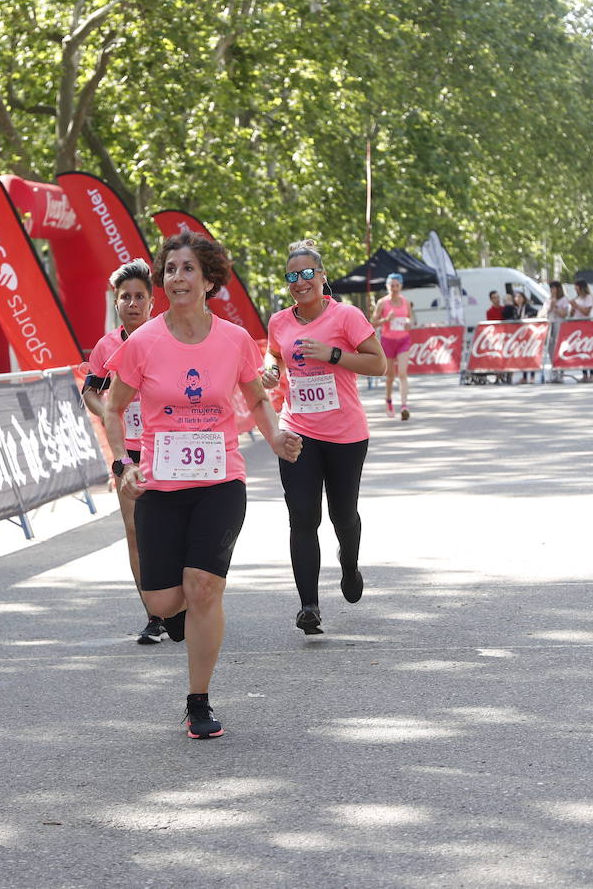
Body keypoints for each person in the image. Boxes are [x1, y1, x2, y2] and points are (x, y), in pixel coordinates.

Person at [103, 231, 302, 740]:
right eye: (170, 269)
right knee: (164, 602)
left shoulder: (233, 340)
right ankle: (184, 617)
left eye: (188, 268)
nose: (177, 277)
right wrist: (124, 463)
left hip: (220, 479)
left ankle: (199, 700)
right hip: (160, 485)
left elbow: (256, 399)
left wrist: (276, 435)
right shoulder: (144, 341)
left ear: (209, 278)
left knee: (204, 587)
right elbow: (114, 406)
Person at [261, 239, 386, 635]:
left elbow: (378, 364)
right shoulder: (279, 321)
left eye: (307, 274)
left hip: (345, 434)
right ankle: (308, 606)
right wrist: (268, 370)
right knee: (302, 516)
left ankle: (348, 565)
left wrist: (331, 355)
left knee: (341, 515)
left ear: (322, 276)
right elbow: (274, 355)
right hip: (297, 430)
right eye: (292, 276)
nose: (300, 282)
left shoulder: (346, 316)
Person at [82, 260, 164, 644]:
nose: (132, 303)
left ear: (151, 302)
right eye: (124, 297)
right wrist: (111, 413)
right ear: (117, 303)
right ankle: (153, 614)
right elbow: (90, 393)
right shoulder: (107, 347)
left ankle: (177, 601)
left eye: (139, 297)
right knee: (136, 532)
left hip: (168, 447)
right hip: (126, 452)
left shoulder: (168, 336)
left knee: (171, 529)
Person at [371, 272, 414, 419]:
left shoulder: (406, 302)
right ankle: (388, 400)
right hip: (388, 341)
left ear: (401, 286)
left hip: (403, 340)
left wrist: (409, 323)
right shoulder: (382, 303)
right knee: (390, 375)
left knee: (402, 373)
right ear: (387, 286)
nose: (394, 288)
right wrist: (385, 320)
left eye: (397, 285)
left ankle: (404, 406)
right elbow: (373, 322)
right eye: (392, 285)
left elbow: (411, 318)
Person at [539, 281, 571, 382]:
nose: (552, 290)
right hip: (550, 325)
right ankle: (553, 370)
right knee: (550, 348)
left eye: (553, 288)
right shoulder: (548, 300)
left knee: (559, 347)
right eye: (550, 288)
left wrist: (555, 306)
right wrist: (550, 307)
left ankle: (560, 372)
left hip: (559, 325)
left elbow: (564, 314)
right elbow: (542, 313)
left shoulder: (564, 300)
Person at [570, 280, 593, 382]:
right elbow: (572, 314)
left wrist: (576, 305)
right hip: (577, 326)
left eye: (577, 287)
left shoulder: (588, 298)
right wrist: (572, 308)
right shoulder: (576, 298)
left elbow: (586, 312)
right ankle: (584, 373)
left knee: (589, 350)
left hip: (586, 325)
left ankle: (592, 374)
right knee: (581, 351)